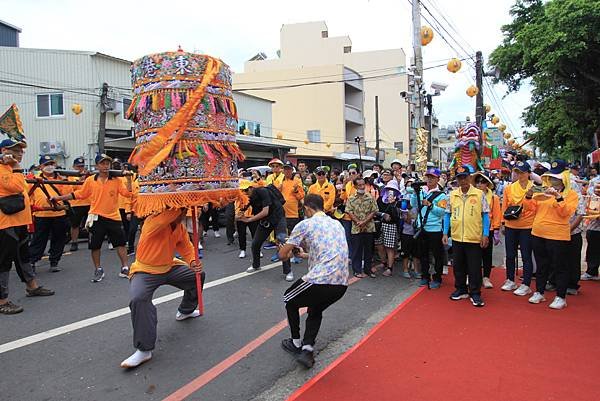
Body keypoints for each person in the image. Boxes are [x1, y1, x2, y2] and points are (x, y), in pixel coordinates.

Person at [120, 208, 205, 368]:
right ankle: (144, 349)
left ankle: (185, 311)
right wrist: (179, 201)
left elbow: (186, 247)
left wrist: (193, 262)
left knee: (197, 276)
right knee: (138, 299)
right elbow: (163, 220)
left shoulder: (179, 227)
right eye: (180, 210)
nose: (183, 213)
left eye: (184, 210)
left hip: (169, 266)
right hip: (145, 270)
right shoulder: (152, 221)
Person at [278, 194, 348, 369]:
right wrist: (303, 255)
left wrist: (285, 249)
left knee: (289, 299)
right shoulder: (336, 224)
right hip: (341, 283)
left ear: (307, 208)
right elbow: (329, 252)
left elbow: (282, 255)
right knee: (316, 308)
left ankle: (295, 343)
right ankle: (307, 349)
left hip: (320, 279)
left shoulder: (305, 224)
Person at [52, 153, 132, 282]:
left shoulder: (116, 180)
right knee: (95, 246)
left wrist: (128, 179)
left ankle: (125, 267)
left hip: (113, 217)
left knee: (121, 244)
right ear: (97, 165)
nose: (106, 166)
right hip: (96, 217)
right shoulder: (91, 180)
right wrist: (60, 198)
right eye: (102, 163)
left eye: (107, 163)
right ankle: (98, 269)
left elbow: (128, 193)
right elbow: (80, 194)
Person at [0, 138, 54, 315]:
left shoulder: (11, 169)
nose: (20, 154)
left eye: (21, 151)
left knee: (23, 257)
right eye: (16, 151)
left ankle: (32, 286)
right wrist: (15, 166)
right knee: (4, 262)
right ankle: (2, 300)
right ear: (5, 151)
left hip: (19, 221)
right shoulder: (5, 169)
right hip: (6, 223)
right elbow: (15, 187)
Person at [527, 161, 579, 309]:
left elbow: (566, 213)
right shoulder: (543, 193)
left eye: (557, 178)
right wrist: (529, 196)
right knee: (542, 265)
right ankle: (539, 292)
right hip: (538, 232)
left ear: (564, 179)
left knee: (560, 266)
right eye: (552, 178)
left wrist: (558, 197)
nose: (554, 181)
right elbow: (529, 209)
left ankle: (560, 297)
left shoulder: (572, 195)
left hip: (557, 235)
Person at [443, 165, 490, 307]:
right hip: (457, 237)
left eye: (465, 177)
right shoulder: (452, 195)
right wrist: (445, 232)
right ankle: (461, 289)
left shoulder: (479, 194)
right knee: (458, 266)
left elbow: (485, 216)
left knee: (474, 267)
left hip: (474, 237)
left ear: (469, 178)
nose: (462, 181)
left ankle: (475, 293)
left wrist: (485, 234)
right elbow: (447, 214)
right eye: (459, 178)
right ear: (456, 179)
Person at [238, 179, 290, 280]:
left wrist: (249, 220)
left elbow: (265, 211)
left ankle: (288, 271)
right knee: (255, 244)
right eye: (242, 191)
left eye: (246, 190)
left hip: (278, 218)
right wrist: (238, 215)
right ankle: (256, 265)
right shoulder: (248, 197)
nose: (244, 193)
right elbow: (242, 210)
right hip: (266, 222)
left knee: (282, 241)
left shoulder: (263, 191)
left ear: (251, 188)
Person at [28, 155, 70, 272]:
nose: (49, 167)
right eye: (46, 164)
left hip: (59, 213)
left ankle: (54, 261)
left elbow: (68, 193)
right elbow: (27, 194)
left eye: (51, 164)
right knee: (38, 240)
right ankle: (32, 261)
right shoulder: (33, 178)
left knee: (59, 239)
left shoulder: (61, 179)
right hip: (42, 214)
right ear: (41, 166)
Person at [500, 161, 535, 296]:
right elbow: (505, 205)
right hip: (511, 224)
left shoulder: (534, 188)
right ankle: (510, 279)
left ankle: (526, 283)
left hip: (527, 225)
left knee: (526, 255)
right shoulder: (509, 188)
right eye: (518, 172)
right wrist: (503, 222)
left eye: (522, 172)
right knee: (510, 255)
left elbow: (534, 207)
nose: (520, 175)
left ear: (528, 173)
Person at [410, 167, 448, 289]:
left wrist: (430, 205)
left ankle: (437, 278)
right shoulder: (422, 192)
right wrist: (415, 192)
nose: (430, 179)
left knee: (437, 255)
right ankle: (425, 277)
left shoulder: (442, 195)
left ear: (437, 179)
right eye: (428, 177)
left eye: (432, 177)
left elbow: (442, 212)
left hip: (435, 229)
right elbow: (413, 204)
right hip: (422, 228)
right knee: (423, 254)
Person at [473, 171, 502, 289]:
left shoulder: (494, 198)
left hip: (488, 228)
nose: (480, 184)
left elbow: (496, 214)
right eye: (478, 182)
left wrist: (496, 230)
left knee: (487, 254)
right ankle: (475, 277)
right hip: (474, 228)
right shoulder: (473, 195)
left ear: (487, 184)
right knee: (474, 254)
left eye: (483, 182)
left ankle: (486, 277)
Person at [345, 176, 378, 278]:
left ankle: (368, 270)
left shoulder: (370, 197)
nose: (362, 187)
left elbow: (374, 211)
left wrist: (364, 221)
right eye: (359, 185)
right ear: (355, 186)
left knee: (368, 250)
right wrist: (358, 222)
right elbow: (349, 211)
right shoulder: (351, 198)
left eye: (363, 184)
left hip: (369, 227)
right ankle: (357, 270)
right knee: (356, 250)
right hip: (356, 227)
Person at [279, 161, 305, 277]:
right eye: (285, 169)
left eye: (289, 169)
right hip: (280, 215)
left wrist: (295, 191)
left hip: (293, 214)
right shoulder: (279, 182)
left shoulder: (296, 182)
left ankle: (296, 254)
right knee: (283, 240)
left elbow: (301, 196)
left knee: (293, 238)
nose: (287, 171)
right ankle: (286, 264)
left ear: (292, 171)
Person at [375, 179, 401, 277]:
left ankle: (390, 268)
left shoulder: (398, 202)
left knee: (390, 247)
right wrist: (383, 214)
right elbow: (375, 210)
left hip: (391, 226)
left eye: (392, 189)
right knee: (379, 245)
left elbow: (397, 217)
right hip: (380, 224)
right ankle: (383, 262)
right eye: (389, 189)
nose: (390, 191)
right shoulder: (380, 199)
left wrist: (393, 204)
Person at [67, 156, 90, 252]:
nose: (80, 168)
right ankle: (74, 242)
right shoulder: (70, 177)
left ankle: (91, 240)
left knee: (90, 223)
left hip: (88, 202)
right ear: (73, 166)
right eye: (78, 166)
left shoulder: (88, 176)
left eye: (82, 166)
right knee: (75, 224)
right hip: (76, 204)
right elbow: (70, 189)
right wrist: (80, 180)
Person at [582, 174, 600, 281]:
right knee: (593, 247)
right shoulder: (595, 180)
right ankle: (591, 271)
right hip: (595, 224)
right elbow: (589, 195)